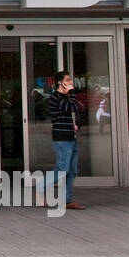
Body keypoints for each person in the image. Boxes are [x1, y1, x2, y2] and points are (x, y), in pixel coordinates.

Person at [42, 71, 85, 210]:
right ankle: (40, 188)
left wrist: (75, 124)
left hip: (71, 136)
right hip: (61, 138)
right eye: (68, 80)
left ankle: (68, 200)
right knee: (63, 168)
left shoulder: (67, 97)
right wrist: (71, 94)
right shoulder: (55, 97)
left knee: (72, 170)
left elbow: (78, 108)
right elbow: (69, 108)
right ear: (60, 82)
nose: (71, 82)